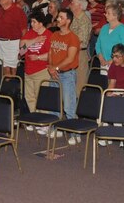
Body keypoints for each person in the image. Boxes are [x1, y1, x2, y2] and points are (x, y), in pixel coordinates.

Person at [48, 9, 81, 145]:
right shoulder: (54, 34)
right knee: (55, 104)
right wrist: (51, 67)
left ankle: (75, 133)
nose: (58, 19)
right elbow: (50, 52)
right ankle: (57, 127)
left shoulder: (73, 38)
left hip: (67, 74)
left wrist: (55, 68)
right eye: (58, 17)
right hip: (54, 73)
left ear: (68, 21)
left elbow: (70, 58)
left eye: (61, 17)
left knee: (69, 106)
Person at [21, 8, 53, 121]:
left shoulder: (49, 35)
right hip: (28, 70)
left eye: (34, 22)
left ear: (41, 23)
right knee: (29, 97)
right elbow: (21, 50)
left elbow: (51, 55)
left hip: (41, 70)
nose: (32, 24)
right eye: (31, 22)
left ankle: (43, 121)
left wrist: (38, 57)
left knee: (41, 97)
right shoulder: (31, 33)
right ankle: (34, 119)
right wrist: (33, 41)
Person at [0, 0, 27, 76]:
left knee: (14, 70)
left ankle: (13, 88)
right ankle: (6, 86)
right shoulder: (0, 11)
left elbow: (24, 32)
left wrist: (23, 51)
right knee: (3, 68)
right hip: (0, 43)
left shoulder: (18, 11)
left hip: (13, 44)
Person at [95, 3, 124, 68]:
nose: (105, 15)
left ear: (115, 15)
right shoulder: (104, 28)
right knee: (105, 78)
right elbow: (98, 44)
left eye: (108, 13)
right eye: (106, 13)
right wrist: (100, 57)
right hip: (104, 62)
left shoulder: (123, 29)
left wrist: (113, 60)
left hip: (118, 63)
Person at [69, 0, 92, 93]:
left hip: (79, 54)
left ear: (80, 6)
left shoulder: (84, 20)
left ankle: (79, 105)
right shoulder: (72, 18)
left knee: (79, 83)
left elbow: (81, 39)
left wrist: (66, 40)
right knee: (70, 82)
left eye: (72, 3)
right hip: (71, 52)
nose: (70, 5)